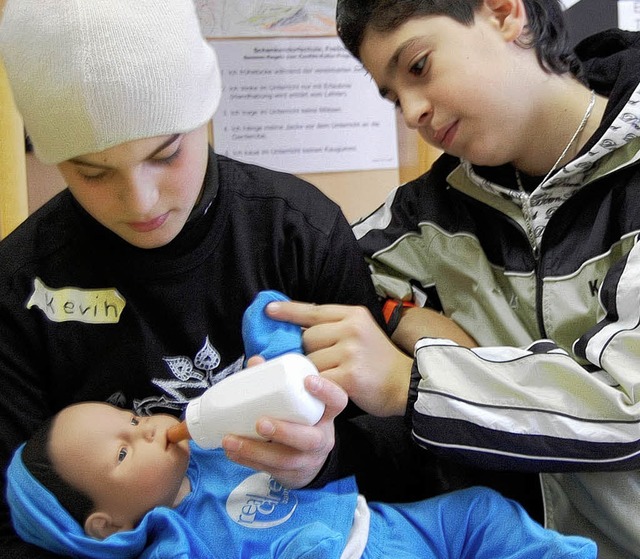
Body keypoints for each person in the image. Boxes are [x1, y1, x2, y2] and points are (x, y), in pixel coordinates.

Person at [0, 0, 458, 555]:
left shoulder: (297, 230)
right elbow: (24, 525)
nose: (141, 202)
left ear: (204, 114)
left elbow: (408, 452)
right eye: (92, 172)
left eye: (166, 153)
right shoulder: (21, 287)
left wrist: (324, 456)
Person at [260, 1, 640, 558]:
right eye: (392, 96)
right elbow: (334, 273)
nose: (411, 112)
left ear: (505, 13)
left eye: (417, 67)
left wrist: (412, 382)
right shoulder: (432, 210)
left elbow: (627, 403)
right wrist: (405, 317)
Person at [5, 401, 597, 559]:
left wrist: (271, 355)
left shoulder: (213, 447)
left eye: (133, 419)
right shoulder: (175, 544)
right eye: (123, 453)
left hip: (383, 521)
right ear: (105, 527)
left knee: (477, 512)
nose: (149, 431)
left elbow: (278, 413)